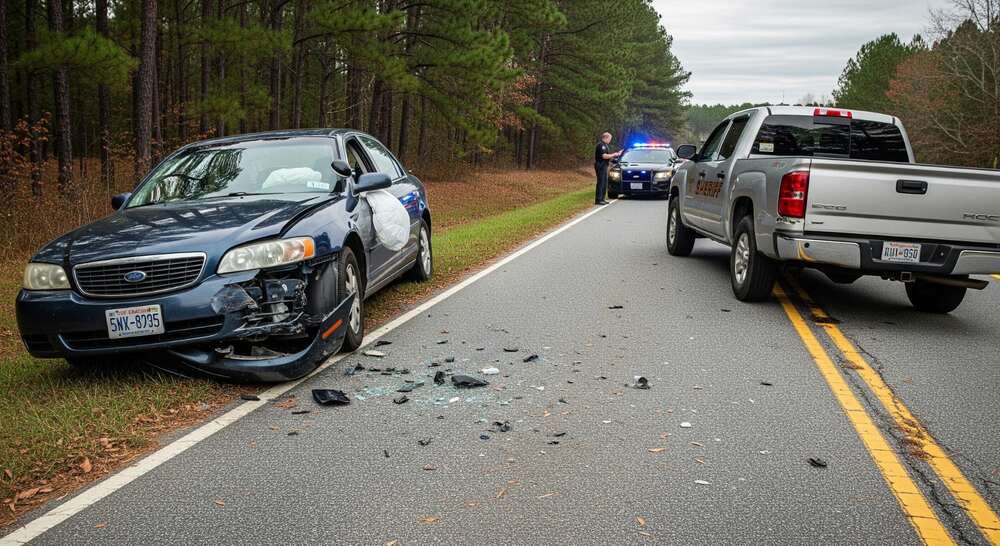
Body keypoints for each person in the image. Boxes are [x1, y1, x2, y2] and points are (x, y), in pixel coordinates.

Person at [594, 132, 622, 205]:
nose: (610, 140)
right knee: (601, 182)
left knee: (604, 182)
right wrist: (614, 154)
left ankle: (602, 199)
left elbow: (608, 157)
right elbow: (604, 156)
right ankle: (598, 199)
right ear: (606, 138)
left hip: (604, 165)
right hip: (600, 165)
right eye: (610, 139)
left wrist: (616, 156)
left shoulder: (605, 145)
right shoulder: (601, 145)